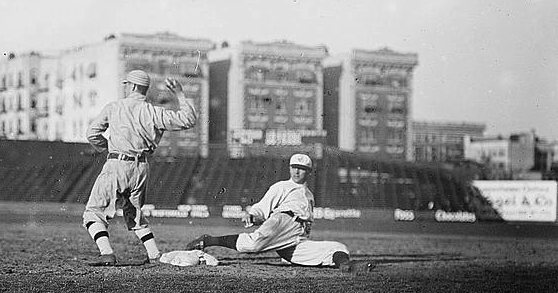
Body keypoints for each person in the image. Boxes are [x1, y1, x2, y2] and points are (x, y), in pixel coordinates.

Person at [83, 69, 197, 266]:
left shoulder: (114, 107)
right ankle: (154, 254)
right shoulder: (155, 112)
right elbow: (188, 120)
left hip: (117, 164)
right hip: (141, 168)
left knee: (93, 213)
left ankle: (107, 253)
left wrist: (108, 148)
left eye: (126, 83)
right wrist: (179, 94)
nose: (124, 87)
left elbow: (92, 133)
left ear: (134, 86)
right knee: (134, 213)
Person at [186, 153, 364, 271]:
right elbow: (263, 206)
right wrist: (253, 214)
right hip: (282, 222)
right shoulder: (283, 186)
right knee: (252, 245)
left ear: (308, 172)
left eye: (301, 168)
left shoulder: (308, 194)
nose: (296, 171)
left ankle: (347, 266)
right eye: (293, 166)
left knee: (338, 248)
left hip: (297, 238)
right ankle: (207, 240)